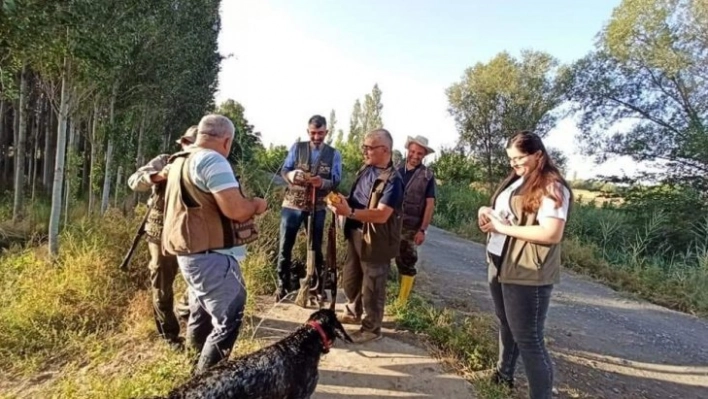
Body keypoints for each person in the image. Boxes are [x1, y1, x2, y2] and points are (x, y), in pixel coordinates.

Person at [161, 114, 268, 372]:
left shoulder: (180, 159)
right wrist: (256, 204)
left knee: (202, 315)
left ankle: (192, 371)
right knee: (229, 318)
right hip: (210, 257)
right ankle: (208, 382)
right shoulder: (212, 159)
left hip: (191, 252)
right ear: (227, 140)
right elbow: (235, 209)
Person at [477, 130, 572, 399]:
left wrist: (504, 229)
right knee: (506, 324)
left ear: (538, 155)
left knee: (529, 339)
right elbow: (507, 216)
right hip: (500, 261)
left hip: (528, 270)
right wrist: (486, 213)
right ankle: (503, 374)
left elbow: (551, 233)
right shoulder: (518, 180)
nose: (514, 164)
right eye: (510, 160)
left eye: (519, 159)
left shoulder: (552, 186)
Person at [328, 128, 403, 344]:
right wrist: (342, 201)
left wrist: (349, 212)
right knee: (351, 278)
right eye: (365, 147)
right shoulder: (366, 169)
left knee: (373, 284)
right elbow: (357, 198)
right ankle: (353, 311)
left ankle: (372, 328)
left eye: (369, 147)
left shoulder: (393, 181)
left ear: (385, 150)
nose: (365, 151)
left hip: (376, 239)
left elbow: (381, 215)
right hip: (355, 232)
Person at [126, 126, 197, 350]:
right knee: (162, 283)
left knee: (199, 280)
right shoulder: (165, 160)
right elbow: (134, 181)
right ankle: (170, 335)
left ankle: (187, 311)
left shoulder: (203, 166)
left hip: (190, 233)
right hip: (159, 232)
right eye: (186, 143)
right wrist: (159, 175)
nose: (189, 148)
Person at [276, 115, 342, 300]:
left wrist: (322, 182)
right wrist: (291, 176)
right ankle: (282, 286)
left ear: (326, 132)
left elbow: (336, 180)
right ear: (308, 132)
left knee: (315, 248)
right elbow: (285, 170)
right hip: (292, 205)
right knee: (285, 246)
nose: (316, 137)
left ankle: (316, 286)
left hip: (318, 206)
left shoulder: (334, 153)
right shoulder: (297, 148)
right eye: (313, 133)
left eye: (320, 133)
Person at [395, 135, 436, 305]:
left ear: (424, 155)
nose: (415, 155)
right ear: (407, 150)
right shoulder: (395, 168)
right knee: (383, 259)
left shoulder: (427, 175)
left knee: (407, 261)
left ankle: (402, 302)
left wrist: (422, 230)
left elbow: (430, 204)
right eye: (412, 151)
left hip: (411, 227)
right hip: (389, 223)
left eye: (419, 153)